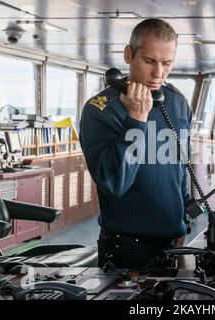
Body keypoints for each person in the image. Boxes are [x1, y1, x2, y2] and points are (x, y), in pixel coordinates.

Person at [79, 18, 192, 270]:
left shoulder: (177, 102)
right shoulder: (100, 110)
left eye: (167, 63)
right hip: (127, 248)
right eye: (150, 61)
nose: (158, 73)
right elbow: (114, 182)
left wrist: (185, 217)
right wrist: (137, 119)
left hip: (174, 241)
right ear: (129, 54)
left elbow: (180, 168)